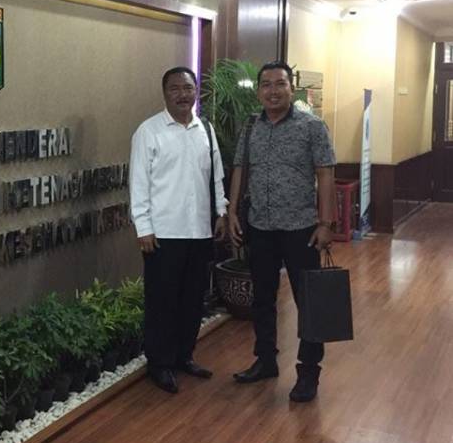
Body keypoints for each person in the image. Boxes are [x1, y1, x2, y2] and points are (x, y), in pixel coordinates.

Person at [228, 61, 336, 403]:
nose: (272, 91)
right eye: (266, 85)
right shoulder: (251, 127)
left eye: (280, 84)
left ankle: (308, 372)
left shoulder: (311, 126)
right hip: (260, 226)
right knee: (262, 298)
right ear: (259, 90)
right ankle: (265, 360)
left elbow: (325, 174)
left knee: (309, 303)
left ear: (291, 88)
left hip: (301, 229)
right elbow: (240, 169)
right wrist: (231, 212)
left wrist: (326, 223)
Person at [130, 66, 227, 394]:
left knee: (192, 300)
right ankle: (159, 364)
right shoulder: (149, 131)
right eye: (175, 89)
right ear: (165, 93)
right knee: (162, 302)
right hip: (163, 234)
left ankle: (184, 356)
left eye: (188, 88)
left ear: (196, 91)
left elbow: (216, 176)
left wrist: (221, 211)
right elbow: (139, 182)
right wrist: (143, 227)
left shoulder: (206, 130)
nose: (183, 94)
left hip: (199, 231)